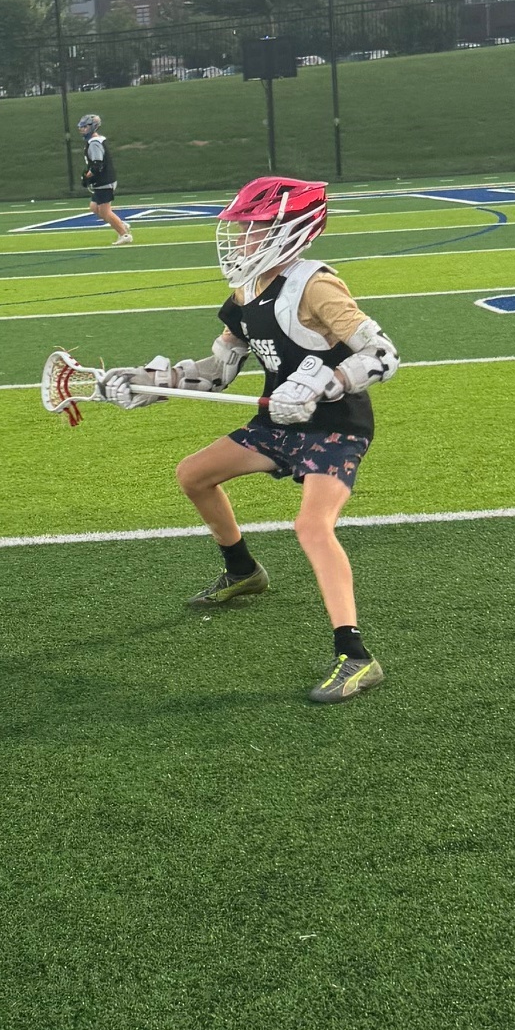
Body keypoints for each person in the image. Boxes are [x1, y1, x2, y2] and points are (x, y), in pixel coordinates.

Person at [96, 175, 398, 703]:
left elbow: (383, 356)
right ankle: (243, 570)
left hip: (334, 425)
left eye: (252, 227)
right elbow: (219, 371)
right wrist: (152, 384)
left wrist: (325, 383)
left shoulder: (315, 285)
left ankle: (355, 655)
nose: (241, 238)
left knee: (312, 526)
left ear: (290, 229)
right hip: (276, 420)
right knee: (194, 474)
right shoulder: (246, 289)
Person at [76, 112, 133, 245]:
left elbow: (97, 165)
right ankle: (119, 223)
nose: (82, 130)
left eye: (85, 127)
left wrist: (87, 176)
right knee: (94, 207)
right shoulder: (95, 141)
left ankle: (124, 234)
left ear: (92, 127)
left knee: (104, 211)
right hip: (102, 180)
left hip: (104, 181)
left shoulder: (95, 143)